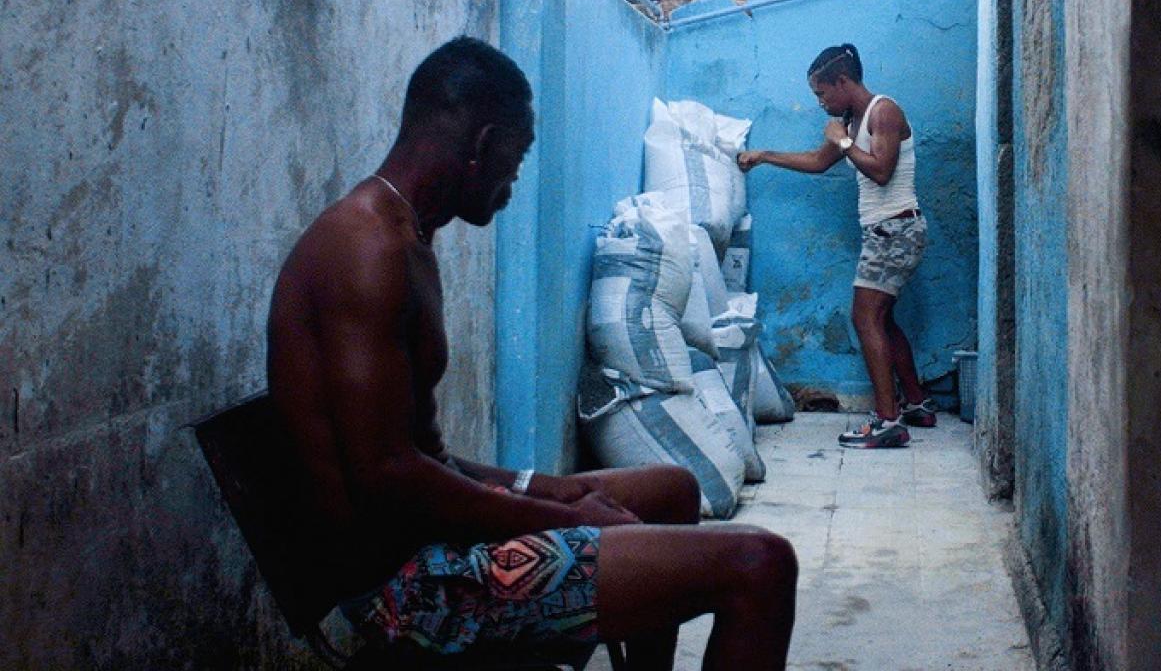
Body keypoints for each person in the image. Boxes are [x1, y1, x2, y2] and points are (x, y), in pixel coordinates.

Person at [267, 37, 796, 669]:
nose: (512, 185)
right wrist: (552, 515)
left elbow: (415, 456)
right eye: (514, 163)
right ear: (482, 145)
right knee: (760, 565)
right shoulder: (365, 252)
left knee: (671, 491)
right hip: (414, 588)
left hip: (428, 544)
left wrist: (549, 491)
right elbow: (386, 478)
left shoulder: (403, 235)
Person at [737, 43, 935, 449]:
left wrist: (844, 143)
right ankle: (916, 402)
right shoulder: (852, 118)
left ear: (843, 81)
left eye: (822, 93)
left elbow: (881, 171)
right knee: (882, 318)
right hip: (885, 232)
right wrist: (764, 156)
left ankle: (887, 421)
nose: (821, 101)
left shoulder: (884, 112)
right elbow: (817, 160)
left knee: (865, 319)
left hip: (894, 231)